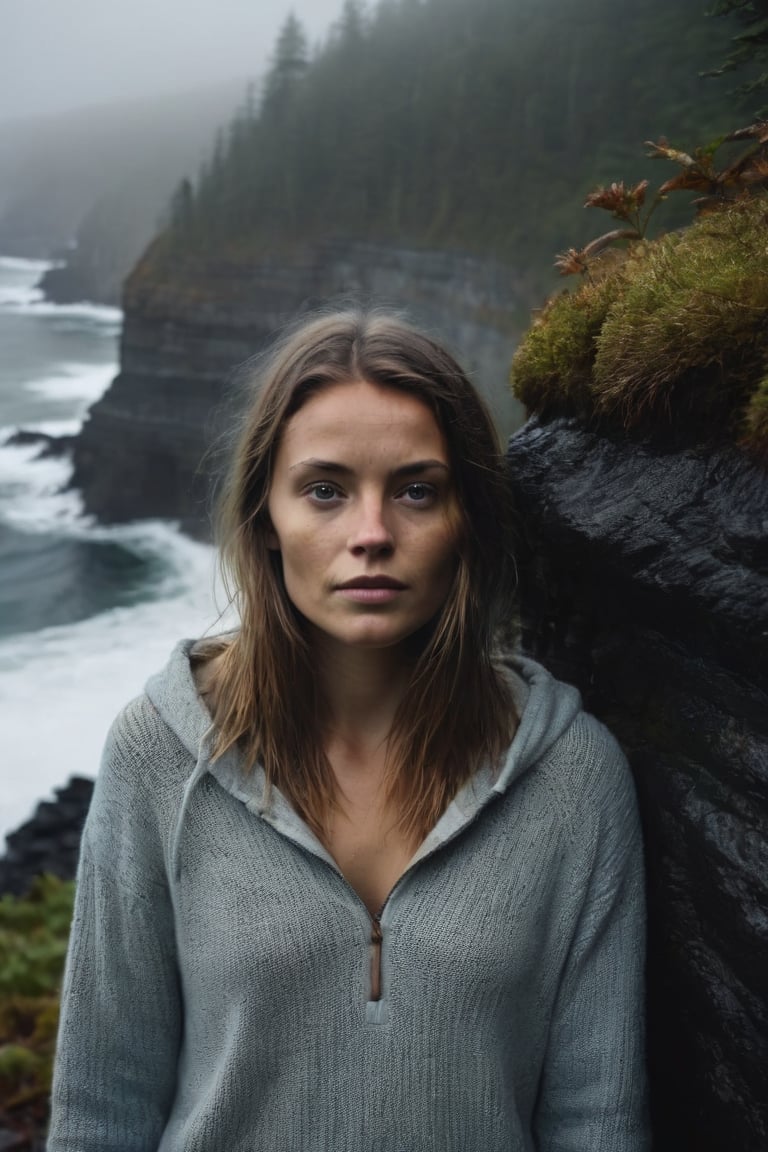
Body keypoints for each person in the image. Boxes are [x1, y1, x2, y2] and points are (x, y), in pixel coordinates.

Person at [48, 309, 649, 1151]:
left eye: (415, 490)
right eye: (325, 490)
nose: (372, 535)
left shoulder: (575, 779)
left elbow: (599, 1122)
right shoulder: (156, 752)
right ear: (267, 518)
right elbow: (100, 1113)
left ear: (465, 521)